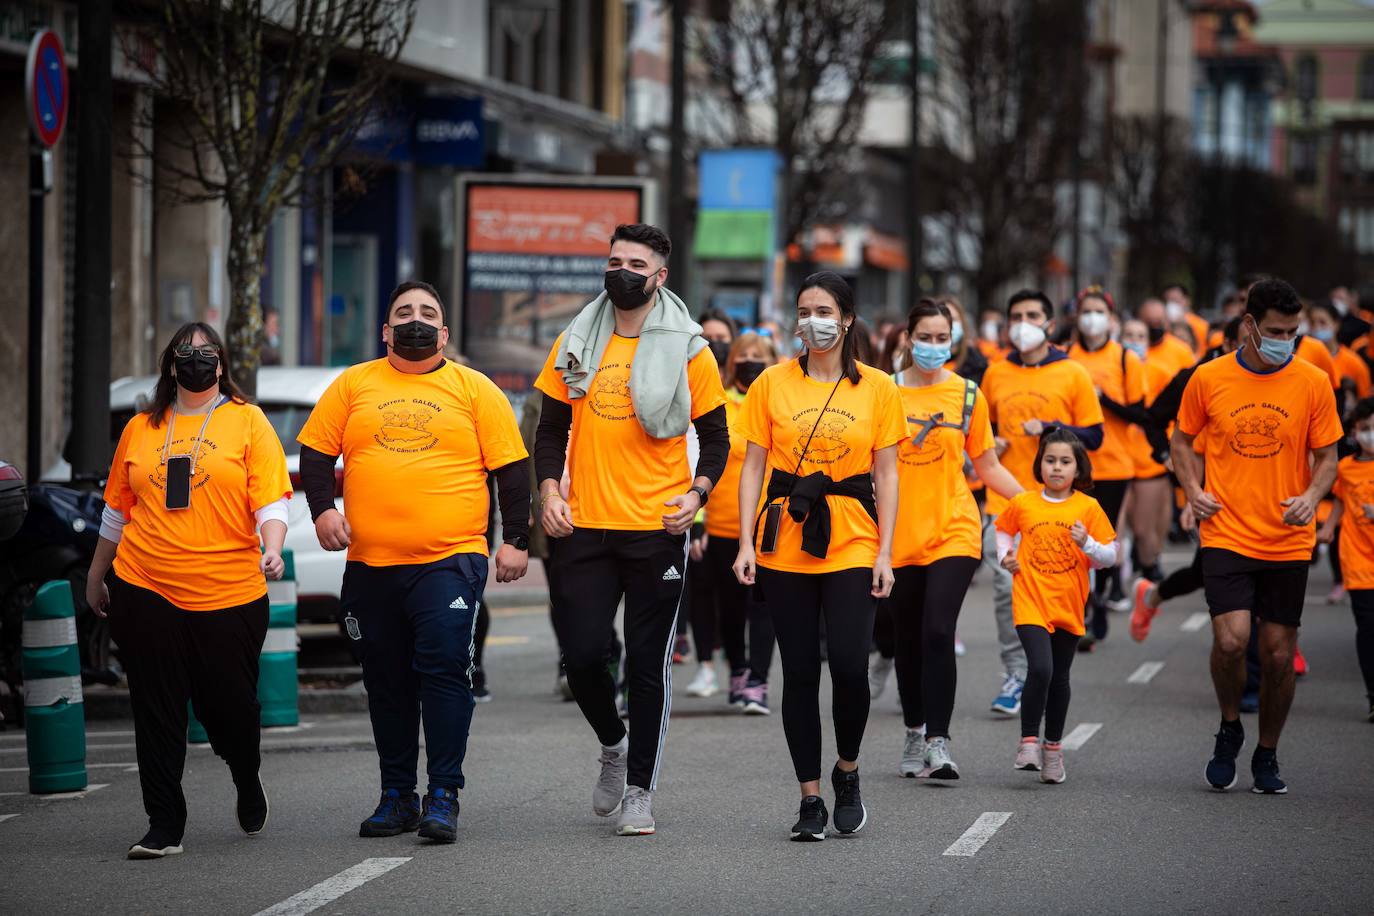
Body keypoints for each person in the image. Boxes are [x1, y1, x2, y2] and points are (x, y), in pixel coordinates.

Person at [298, 280, 532, 843]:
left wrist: (516, 540)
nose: (416, 320)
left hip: (449, 561)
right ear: (385, 330)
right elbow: (314, 451)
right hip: (371, 565)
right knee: (387, 682)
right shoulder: (353, 383)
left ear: (445, 334)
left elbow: (512, 469)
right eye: (404, 312)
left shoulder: (476, 389)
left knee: (445, 669)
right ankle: (397, 796)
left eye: (428, 313)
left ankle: (444, 794)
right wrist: (323, 511)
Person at [534, 223, 729, 836]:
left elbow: (718, 440)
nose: (621, 271)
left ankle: (640, 790)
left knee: (647, 665)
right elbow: (549, 432)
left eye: (635, 264)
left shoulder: (691, 350)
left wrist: (695, 495)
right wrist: (546, 490)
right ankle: (612, 744)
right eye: (614, 260)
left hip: (654, 530)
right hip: (584, 526)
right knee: (584, 656)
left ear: (659, 276)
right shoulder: (575, 339)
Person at [86, 322, 290, 859]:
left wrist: (272, 546)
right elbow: (116, 509)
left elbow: (270, 500)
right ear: (171, 365)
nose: (196, 361)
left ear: (220, 364)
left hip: (230, 592)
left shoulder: (248, 422)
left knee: (230, 710)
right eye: (186, 353)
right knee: (156, 708)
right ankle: (163, 824)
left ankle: (245, 773)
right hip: (145, 584)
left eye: (206, 353)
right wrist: (96, 574)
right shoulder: (141, 428)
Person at [732, 271, 904, 841]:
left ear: (848, 318)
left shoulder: (878, 387)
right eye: (804, 310)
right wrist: (744, 543)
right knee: (800, 672)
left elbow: (887, 472)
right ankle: (810, 798)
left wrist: (885, 551)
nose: (813, 320)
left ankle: (847, 772)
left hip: (853, 537)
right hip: (786, 540)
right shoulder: (771, 384)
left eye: (824, 310)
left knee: (851, 667)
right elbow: (754, 464)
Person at [1173, 278, 1342, 795]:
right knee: (1231, 641)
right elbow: (1181, 442)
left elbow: (1328, 458)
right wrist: (1192, 490)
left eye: (1293, 332)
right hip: (1226, 530)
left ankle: (1266, 753)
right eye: (1275, 331)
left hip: (1288, 537)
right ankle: (1230, 726)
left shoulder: (1312, 381)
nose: (1285, 340)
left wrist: (1312, 498)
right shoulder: (1208, 378)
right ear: (1249, 326)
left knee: (1276, 653)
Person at [887, 300, 1022, 779]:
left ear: (954, 340)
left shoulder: (968, 395)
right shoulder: (885, 392)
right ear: (908, 339)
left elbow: (987, 466)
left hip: (955, 527)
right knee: (906, 637)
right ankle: (913, 728)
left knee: (939, 631)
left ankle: (938, 742)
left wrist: (1031, 503)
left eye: (942, 338)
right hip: (896, 533)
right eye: (924, 336)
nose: (933, 346)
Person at [979, 290, 1104, 716]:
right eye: (1016, 316)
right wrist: (991, 442)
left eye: (1032, 315)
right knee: (1004, 588)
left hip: (1058, 505)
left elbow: (1095, 435)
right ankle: (1016, 673)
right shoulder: (995, 373)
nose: (1023, 323)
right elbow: (983, 432)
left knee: (1053, 586)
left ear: (1049, 324)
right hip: (1007, 501)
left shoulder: (1072, 373)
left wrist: (1052, 427)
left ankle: (1044, 670)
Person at [996, 430, 1119, 784]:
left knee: (1060, 677)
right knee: (1041, 668)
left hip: (1068, 603)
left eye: (1065, 462)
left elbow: (1110, 556)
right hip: (1030, 600)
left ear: (1078, 467)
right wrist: (1006, 556)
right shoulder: (1024, 503)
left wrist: (1088, 544)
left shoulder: (1088, 507)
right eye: (1050, 460)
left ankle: (1053, 749)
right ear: (1040, 464)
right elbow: (1003, 530)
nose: (1057, 468)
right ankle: (1029, 742)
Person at [690, 331, 780, 714]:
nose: (751, 360)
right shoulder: (718, 403)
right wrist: (697, 519)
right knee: (729, 608)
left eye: (760, 355)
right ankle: (739, 669)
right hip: (722, 523)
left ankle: (757, 681)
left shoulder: (781, 403)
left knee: (763, 604)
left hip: (770, 525)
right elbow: (695, 458)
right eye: (744, 355)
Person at [1067, 286, 1143, 643]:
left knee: (1105, 539)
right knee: (1075, 539)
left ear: (1111, 318)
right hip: (1075, 464)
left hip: (1114, 464)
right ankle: (1083, 606)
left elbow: (1138, 413)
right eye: (1086, 311)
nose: (1092, 317)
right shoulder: (1067, 356)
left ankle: (1103, 597)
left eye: (1099, 311)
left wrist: (1103, 399)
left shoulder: (1125, 358)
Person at [684, 310, 739, 696]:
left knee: (735, 602)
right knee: (700, 594)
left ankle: (740, 671)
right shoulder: (685, 379)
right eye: (709, 336)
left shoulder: (746, 393)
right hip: (699, 512)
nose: (715, 344)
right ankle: (705, 666)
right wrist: (696, 515)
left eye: (722, 337)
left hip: (738, 518)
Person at [1317, 396, 1374, 722]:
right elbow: (1338, 500)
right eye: (1365, 429)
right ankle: (1373, 695)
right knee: (1368, 628)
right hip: (1358, 559)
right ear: (1354, 431)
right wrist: (1327, 528)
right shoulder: (1347, 467)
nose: (1370, 434)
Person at [1137, 298, 1197, 380]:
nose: (1154, 327)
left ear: (1167, 323)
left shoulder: (1182, 350)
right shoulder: (1130, 349)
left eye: (1158, 323)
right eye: (1149, 323)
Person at [1164, 284, 1211, 360]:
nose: (1171, 305)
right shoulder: (1163, 325)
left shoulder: (1201, 325)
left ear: (1187, 300)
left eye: (1175, 300)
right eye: (1168, 301)